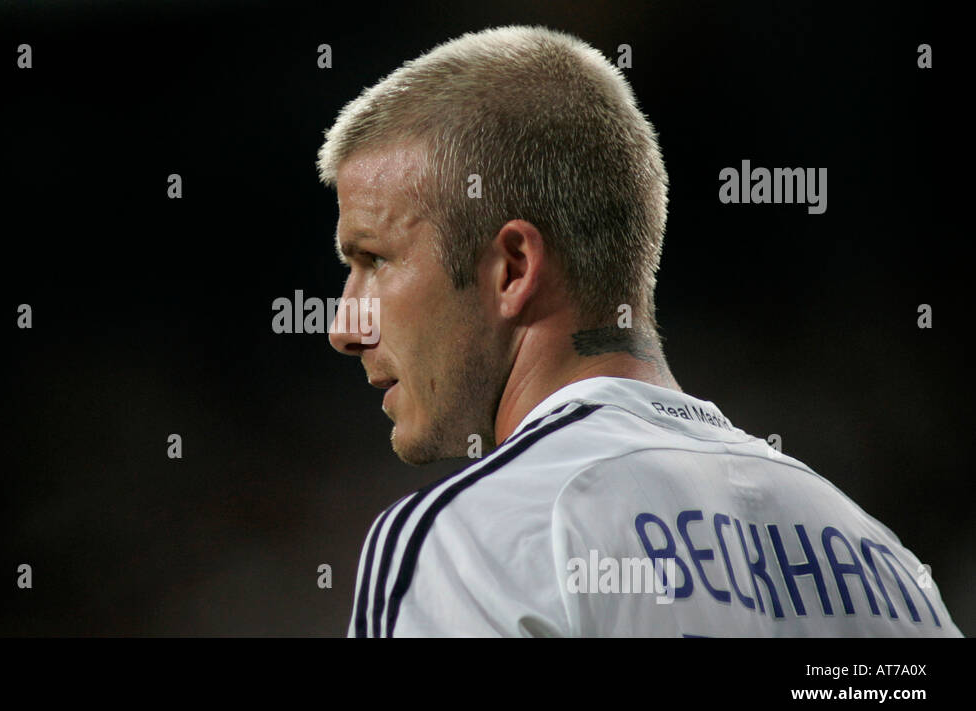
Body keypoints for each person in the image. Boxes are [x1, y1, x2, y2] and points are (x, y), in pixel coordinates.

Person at [316, 25, 962, 637]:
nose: (345, 326)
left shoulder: (474, 543)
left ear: (512, 268)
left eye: (374, 259)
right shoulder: (889, 568)